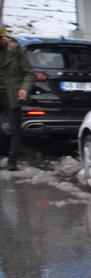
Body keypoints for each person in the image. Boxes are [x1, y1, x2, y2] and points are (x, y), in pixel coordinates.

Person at [0, 29, 35, 172]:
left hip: (11, 94)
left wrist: (24, 89)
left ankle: (12, 160)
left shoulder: (15, 51)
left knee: (15, 129)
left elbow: (29, 73)